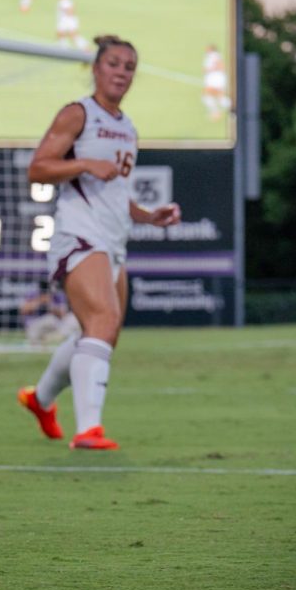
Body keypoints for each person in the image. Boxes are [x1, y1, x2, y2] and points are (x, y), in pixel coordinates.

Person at [17, 35, 181, 450]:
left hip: (113, 241)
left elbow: (115, 193)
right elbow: (37, 169)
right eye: (114, 64)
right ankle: (88, 430)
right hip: (78, 234)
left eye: (129, 66)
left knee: (101, 333)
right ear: (96, 68)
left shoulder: (127, 128)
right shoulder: (78, 113)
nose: (122, 72)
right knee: (102, 324)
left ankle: (40, 400)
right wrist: (85, 161)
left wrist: (149, 216)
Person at [20, 280, 80, 346]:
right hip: (35, 326)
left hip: (55, 327)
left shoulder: (56, 295)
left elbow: (63, 314)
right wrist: (40, 301)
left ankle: (52, 338)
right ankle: (46, 339)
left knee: (72, 319)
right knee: (50, 319)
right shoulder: (33, 294)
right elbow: (23, 310)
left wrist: (50, 305)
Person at [202, 44, 230, 121]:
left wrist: (210, 69)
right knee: (216, 96)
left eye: (208, 48)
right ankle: (217, 112)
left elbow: (221, 66)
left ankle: (222, 111)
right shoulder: (210, 57)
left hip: (216, 79)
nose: (206, 50)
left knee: (209, 95)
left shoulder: (214, 55)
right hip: (213, 79)